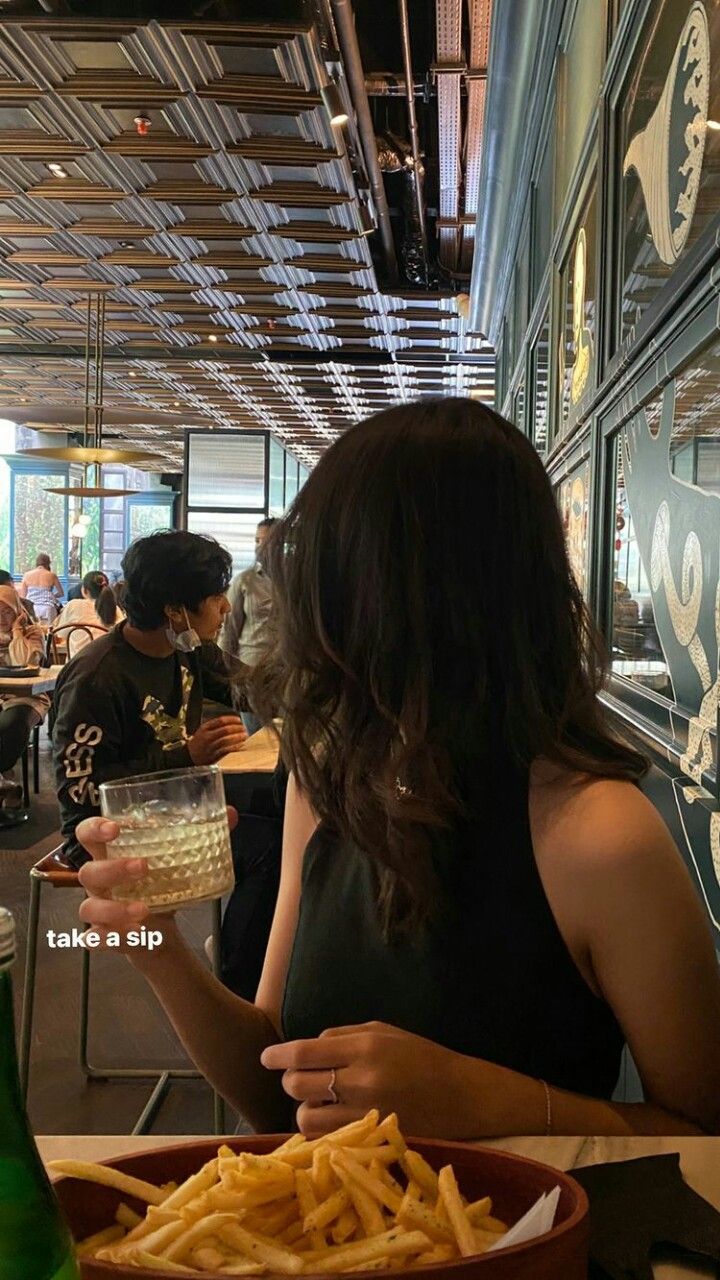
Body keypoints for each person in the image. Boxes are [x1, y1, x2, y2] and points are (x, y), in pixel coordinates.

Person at [74, 400, 720, 1139]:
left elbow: (701, 1132)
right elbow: (276, 1094)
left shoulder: (598, 830)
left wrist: (492, 1103)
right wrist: (160, 950)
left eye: (326, 571)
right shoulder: (328, 780)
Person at [53, 530, 248, 869]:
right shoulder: (97, 678)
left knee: (275, 815)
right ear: (174, 610)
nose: (227, 607)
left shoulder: (189, 648)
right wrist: (187, 756)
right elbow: (82, 792)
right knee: (261, 848)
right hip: (106, 832)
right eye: (216, 596)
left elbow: (254, 687)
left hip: (174, 802)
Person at [223, 518, 278, 735]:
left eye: (267, 541)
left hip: (287, 673)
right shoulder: (245, 581)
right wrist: (229, 676)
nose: (260, 546)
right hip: (251, 672)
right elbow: (229, 631)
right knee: (256, 738)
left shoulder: (295, 582)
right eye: (257, 540)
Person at [0, 584, 48, 816]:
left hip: (27, 698)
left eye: (7, 611)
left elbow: (25, 664)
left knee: (11, 724)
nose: (1, 617)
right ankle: (4, 785)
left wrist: (17, 633)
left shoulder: (33, 633)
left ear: (19, 611)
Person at [52, 571, 124, 658]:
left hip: (77, 666)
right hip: (106, 666)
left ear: (84, 590)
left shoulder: (73, 605)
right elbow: (122, 639)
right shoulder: (115, 609)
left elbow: (60, 634)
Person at [17, 554, 63, 623]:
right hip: (48, 608)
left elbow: (24, 596)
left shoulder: (26, 575)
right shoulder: (52, 575)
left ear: (36, 563)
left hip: (32, 608)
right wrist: (52, 595)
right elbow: (61, 593)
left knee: (33, 631)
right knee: (50, 631)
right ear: (48, 563)